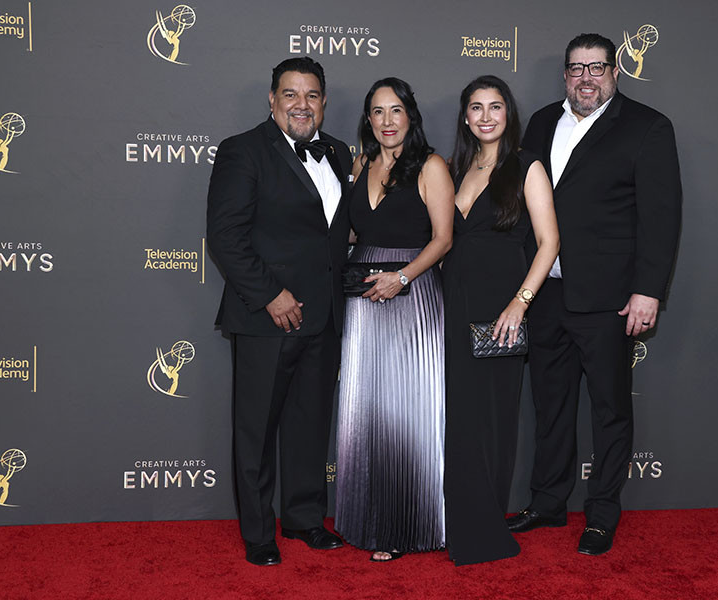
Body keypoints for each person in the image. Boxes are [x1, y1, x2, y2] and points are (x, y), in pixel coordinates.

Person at [507, 33, 682, 556]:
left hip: (609, 299)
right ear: (565, 74)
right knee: (551, 406)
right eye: (577, 68)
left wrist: (648, 290)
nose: (586, 77)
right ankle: (547, 502)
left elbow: (661, 216)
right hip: (546, 293)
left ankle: (602, 513)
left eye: (597, 67)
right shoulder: (539, 123)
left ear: (615, 72)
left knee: (609, 411)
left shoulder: (647, 126)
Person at [206, 57, 351, 566]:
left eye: (312, 95)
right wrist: (270, 295)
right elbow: (225, 237)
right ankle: (258, 532)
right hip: (266, 318)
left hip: (326, 316)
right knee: (257, 430)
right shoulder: (243, 151)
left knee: (310, 426)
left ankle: (306, 518)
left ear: (324, 102)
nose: (301, 104)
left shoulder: (337, 152)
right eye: (290, 94)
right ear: (272, 100)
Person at [334, 77, 454, 562]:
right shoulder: (362, 163)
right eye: (377, 112)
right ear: (368, 119)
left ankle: (409, 522)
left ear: (411, 116)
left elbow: (443, 239)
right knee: (368, 411)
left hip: (412, 296)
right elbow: (355, 232)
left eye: (396, 111)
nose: (387, 121)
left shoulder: (431, 165)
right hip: (365, 300)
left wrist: (401, 278)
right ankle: (369, 520)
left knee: (408, 414)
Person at [442, 75, 559, 565]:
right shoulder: (455, 167)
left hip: (502, 311)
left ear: (508, 114)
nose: (486, 116)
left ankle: (485, 530)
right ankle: (455, 523)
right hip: (452, 305)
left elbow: (550, 242)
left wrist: (520, 302)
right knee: (458, 419)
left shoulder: (526, 166)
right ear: (465, 116)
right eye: (476, 107)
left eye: (495, 107)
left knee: (491, 421)